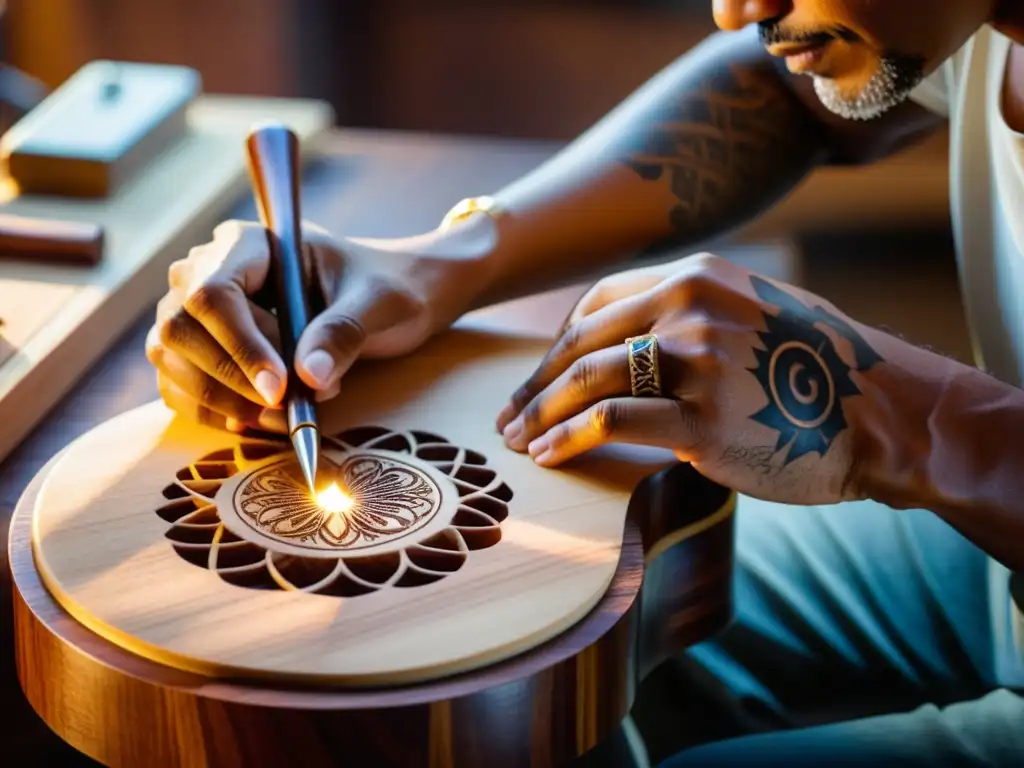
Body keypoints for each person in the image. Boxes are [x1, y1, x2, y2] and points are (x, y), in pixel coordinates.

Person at [145, 1, 1024, 764]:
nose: (735, 10)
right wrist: (447, 263)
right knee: (547, 640)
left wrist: (909, 418)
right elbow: (792, 90)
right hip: (980, 556)